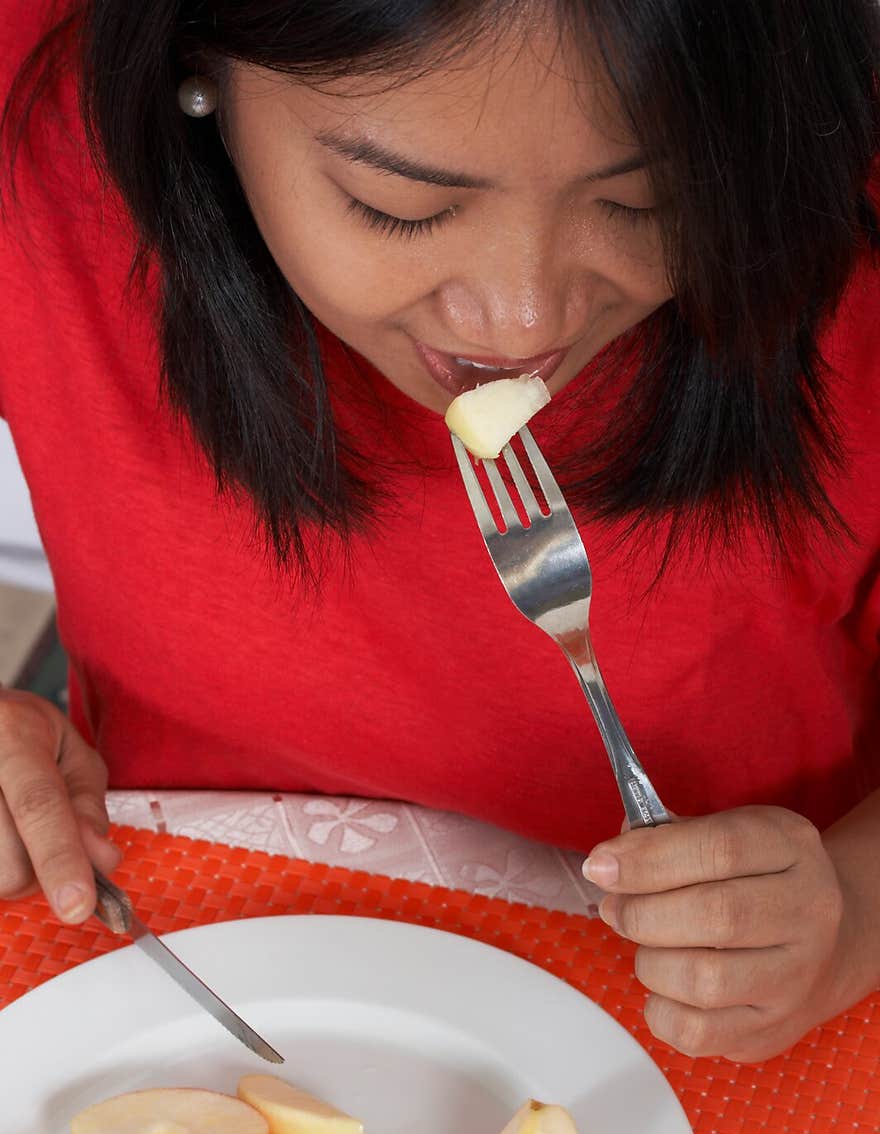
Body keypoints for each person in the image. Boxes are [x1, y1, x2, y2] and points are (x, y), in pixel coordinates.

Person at [1, 0, 878, 1064]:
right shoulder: (38, 125)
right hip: (179, 958)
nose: (526, 322)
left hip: (745, 1038)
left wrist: (850, 911)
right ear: (201, 70)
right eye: (401, 207)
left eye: (648, 198)